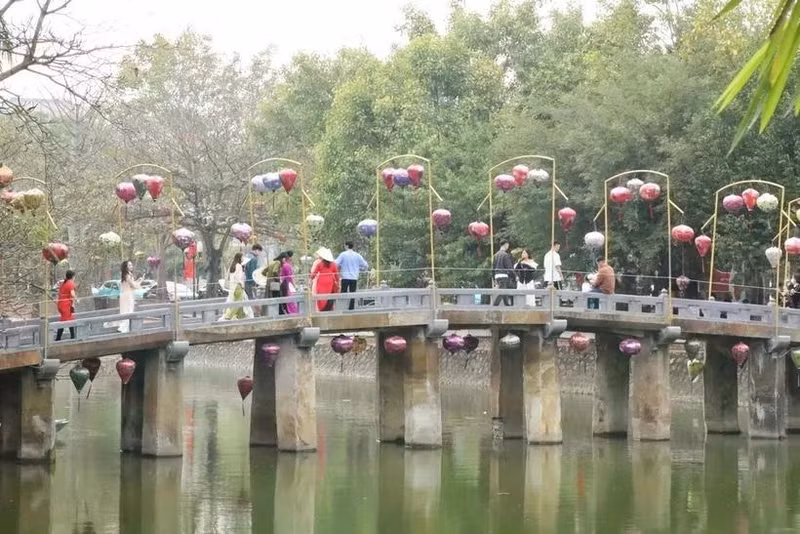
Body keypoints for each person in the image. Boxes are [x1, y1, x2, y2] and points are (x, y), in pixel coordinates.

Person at [335, 241, 368, 310]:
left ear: (346, 246)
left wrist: (340, 266)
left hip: (345, 277)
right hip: (354, 277)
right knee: (353, 294)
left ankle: (342, 308)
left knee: (344, 293)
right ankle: (351, 308)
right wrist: (360, 269)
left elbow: (336, 263)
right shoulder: (357, 255)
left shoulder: (343, 254)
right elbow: (365, 265)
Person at [222, 252, 253, 320]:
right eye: (242, 257)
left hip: (232, 286)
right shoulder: (239, 266)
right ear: (239, 258)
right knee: (238, 301)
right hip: (238, 286)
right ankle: (229, 315)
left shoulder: (232, 265)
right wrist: (242, 284)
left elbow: (230, 277)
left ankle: (241, 315)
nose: (243, 259)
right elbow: (239, 278)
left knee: (238, 300)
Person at [311, 247, 340, 312]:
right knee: (329, 295)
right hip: (330, 282)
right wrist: (338, 284)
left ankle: (321, 309)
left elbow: (313, 275)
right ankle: (329, 309)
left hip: (321, 281)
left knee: (321, 296)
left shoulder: (320, 264)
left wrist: (310, 278)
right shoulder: (334, 264)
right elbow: (337, 276)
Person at [117, 260, 142, 333]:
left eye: (131, 265)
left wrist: (137, 281)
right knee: (129, 311)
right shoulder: (128, 275)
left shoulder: (124, 275)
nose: (131, 266)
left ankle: (124, 327)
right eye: (130, 265)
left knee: (124, 311)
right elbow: (133, 286)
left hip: (124, 295)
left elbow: (130, 285)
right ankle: (125, 328)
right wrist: (140, 281)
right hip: (128, 295)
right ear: (126, 267)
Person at [492, 240, 515, 306]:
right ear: (506, 244)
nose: (508, 246)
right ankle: (495, 305)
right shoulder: (505, 255)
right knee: (503, 291)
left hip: (497, 275)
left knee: (504, 289)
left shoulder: (495, 255)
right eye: (508, 245)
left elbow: (493, 267)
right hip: (504, 275)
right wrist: (515, 275)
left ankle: (507, 304)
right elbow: (509, 267)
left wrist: (493, 278)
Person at [56, 270, 77, 341]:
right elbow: (72, 294)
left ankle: (72, 336)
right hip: (66, 305)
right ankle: (59, 338)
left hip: (61, 304)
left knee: (69, 319)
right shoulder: (70, 283)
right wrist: (77, 299)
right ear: (72, 276)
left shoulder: (63, 283)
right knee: (66, 320)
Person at [280, 250, 298, 315]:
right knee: (290, 301)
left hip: (286, 284)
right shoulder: (287, 265)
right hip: (286, 284)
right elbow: (290, 277)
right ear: (290, 257)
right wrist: (294, 285)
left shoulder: (287, 265)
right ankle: (292, 313)